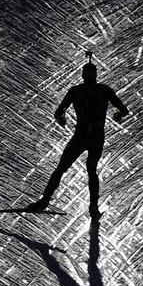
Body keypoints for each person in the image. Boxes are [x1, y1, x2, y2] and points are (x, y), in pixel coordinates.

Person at [27, 60, 129, 218]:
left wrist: (62, 120)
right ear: (96, 75)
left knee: (61, 168)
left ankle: (44, 201)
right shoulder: (105, 90)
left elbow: (58, 112)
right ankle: (93, 209)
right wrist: (117, 115)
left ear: (82, 75)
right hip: (97, 135)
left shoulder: (75, 91)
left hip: (81, 135)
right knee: (92, 170)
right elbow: (124, 110)